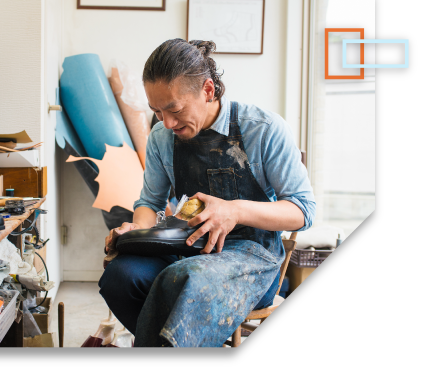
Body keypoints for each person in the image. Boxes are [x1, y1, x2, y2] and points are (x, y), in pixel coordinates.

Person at [98, 38, 316, 347]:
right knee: (121, 277)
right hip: (189, 245)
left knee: (186, 279)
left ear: (208, 90)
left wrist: (235, 210)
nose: (167, 122)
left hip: (252, 255)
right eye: (157, 111)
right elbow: (150, 202)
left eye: (174, 109)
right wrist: (138, 233)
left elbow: (303, 210)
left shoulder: (264, 129)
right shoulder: (162, 136)